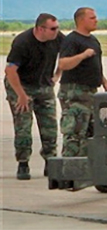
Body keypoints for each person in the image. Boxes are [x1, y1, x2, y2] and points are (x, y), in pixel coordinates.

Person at [4, 13, 65, 180]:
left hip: (43, 84)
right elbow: (10, 71)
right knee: (23, 125)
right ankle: (23, 162)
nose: (56, 31)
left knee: (49, 125)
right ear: (40, 29)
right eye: (53, 28)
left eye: (57, 28)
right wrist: (21, 95)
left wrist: (57, 75)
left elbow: (66, 55)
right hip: (20, 85)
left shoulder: (58, 38)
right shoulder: (23, 42)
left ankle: (50, 160)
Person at [58, 7, 107, 157]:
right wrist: (82, 55)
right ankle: (70, 166)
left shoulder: (93, 40)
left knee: (90, 132)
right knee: (75, 133)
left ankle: (84, 165)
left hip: (90, 92)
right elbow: (63, 64)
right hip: (75, 93)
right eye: (92, 18)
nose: (96, 20)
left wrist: (104, 82)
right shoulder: (72, 40)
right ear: (81, 20)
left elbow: (94, 65)